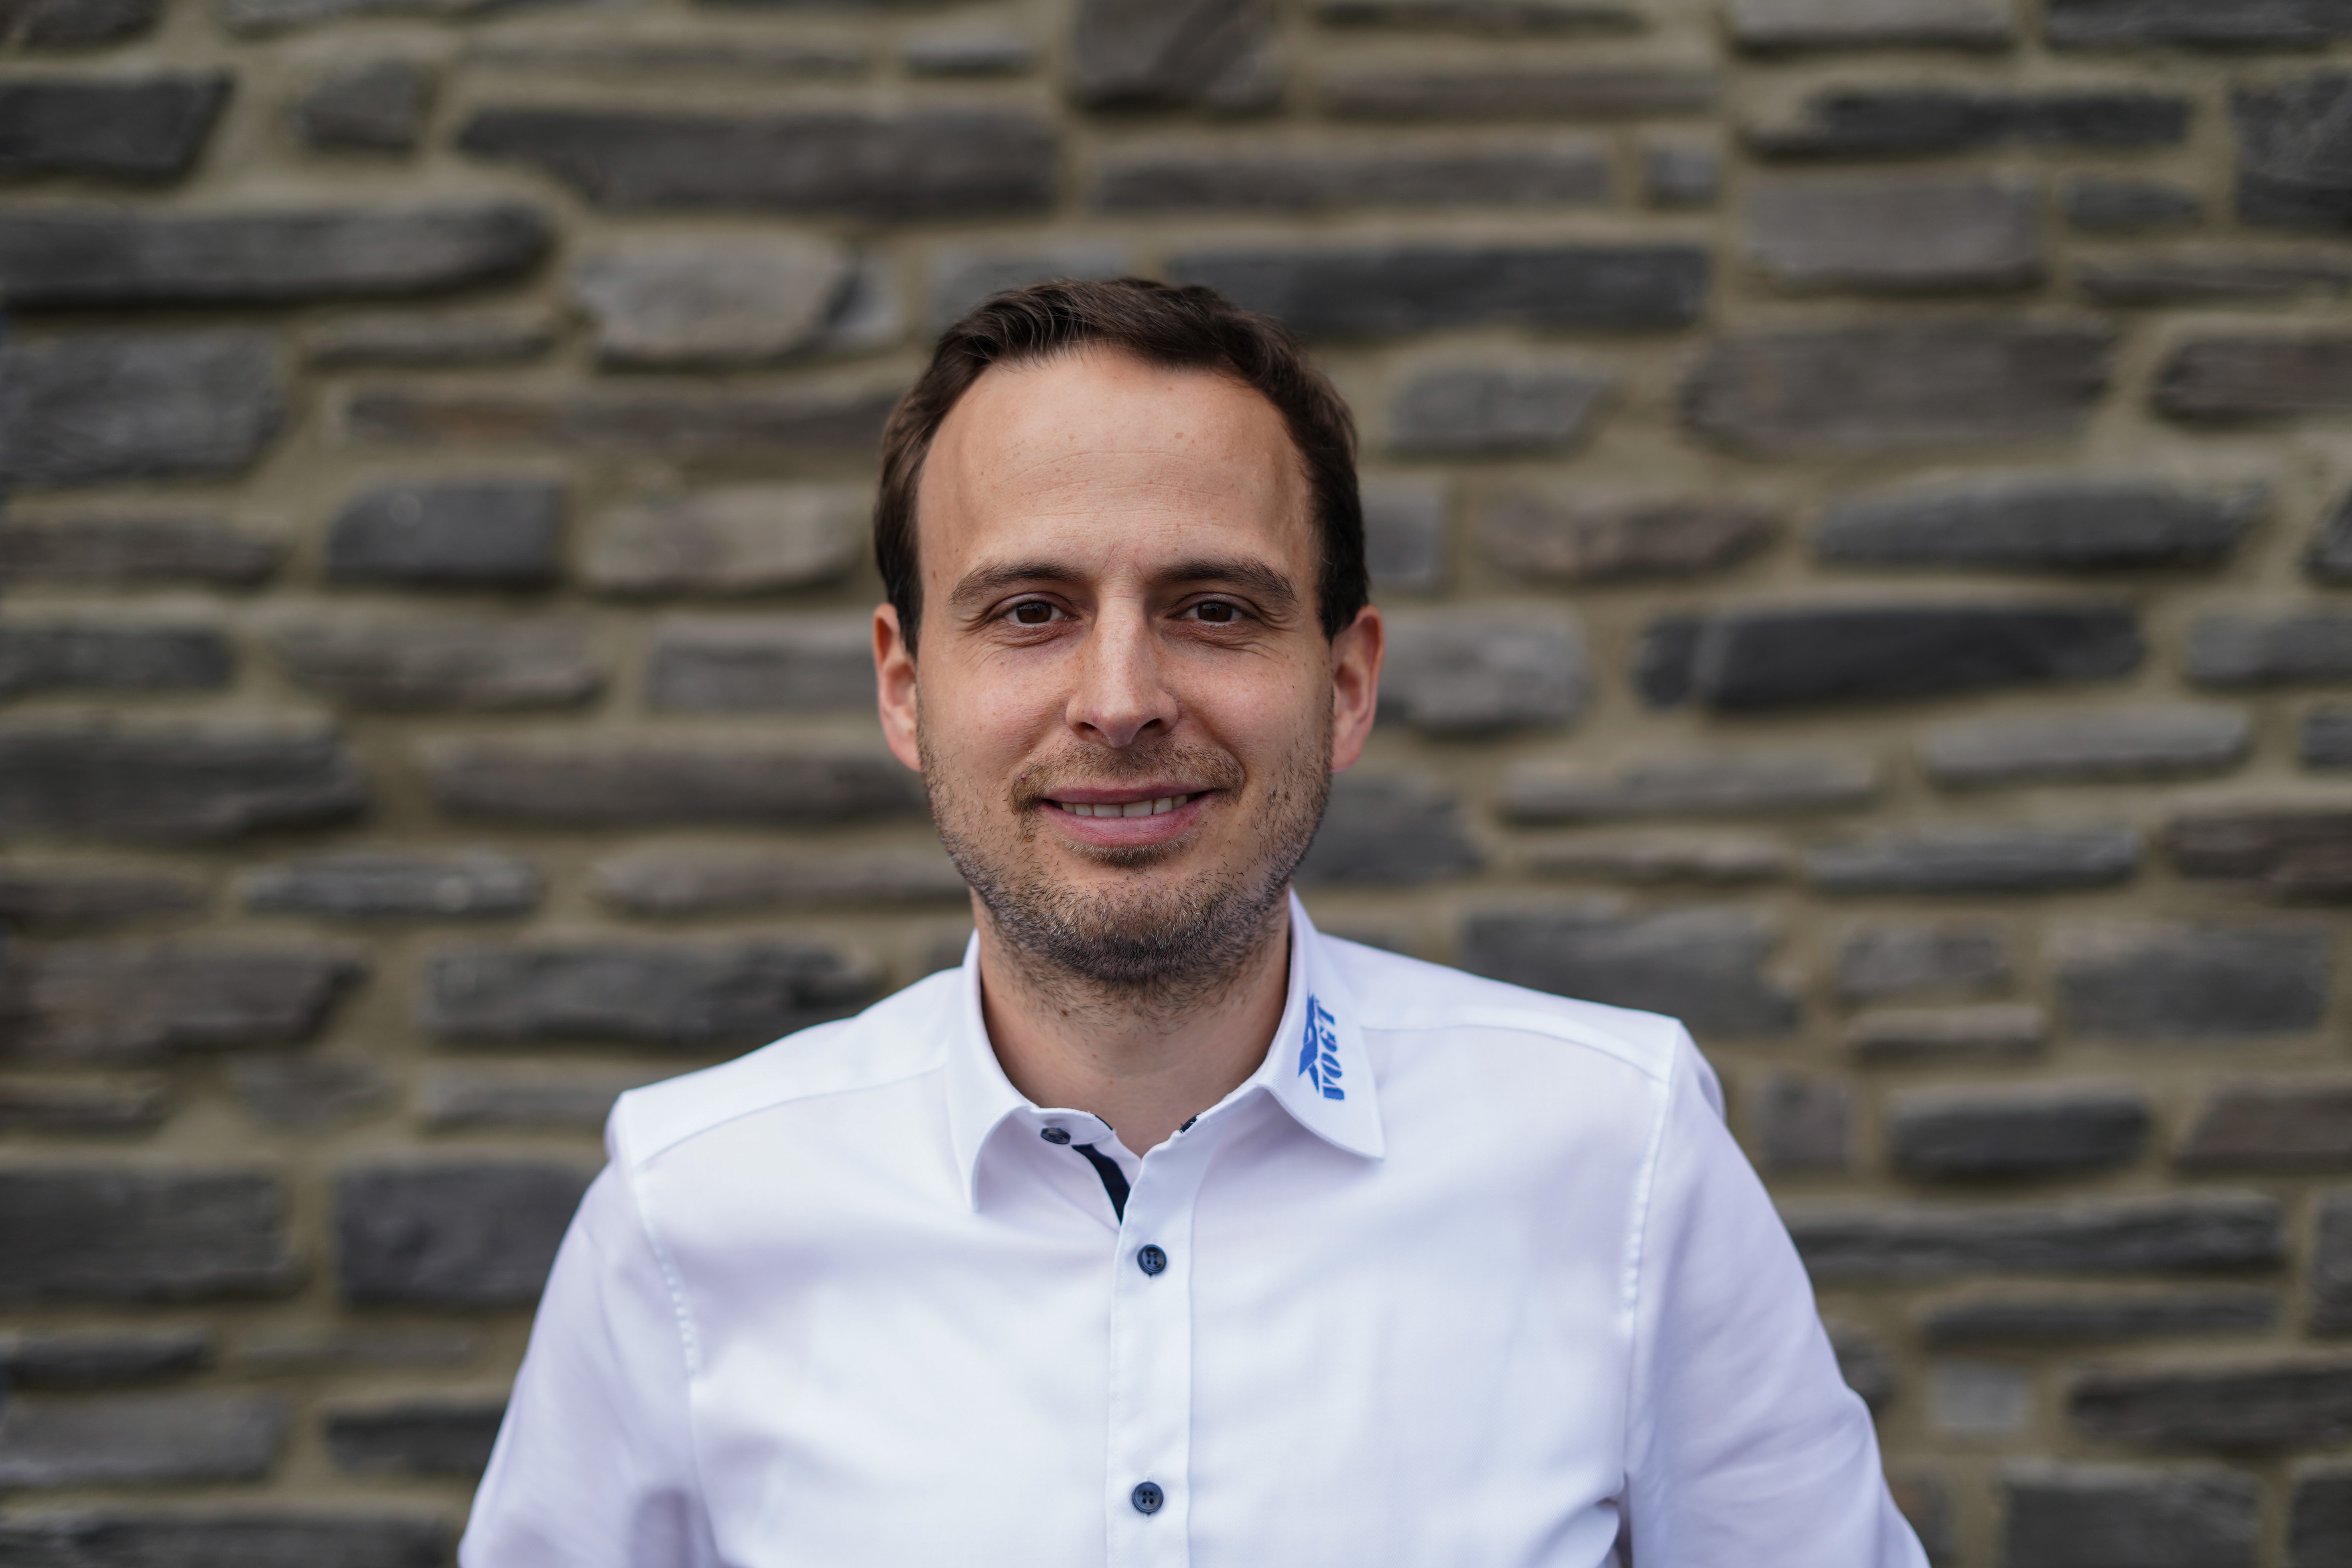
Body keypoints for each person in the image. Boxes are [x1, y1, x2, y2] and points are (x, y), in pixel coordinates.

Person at [460, 278, 1927, 1567]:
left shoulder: (1621, 1155)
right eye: (1030, 611)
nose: (1120, 701)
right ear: (906, 690)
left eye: (1214, 608)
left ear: (1345, 684)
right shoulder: (689, 1210)